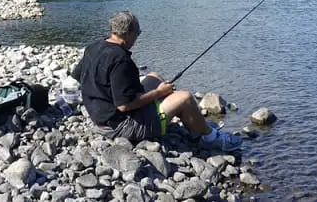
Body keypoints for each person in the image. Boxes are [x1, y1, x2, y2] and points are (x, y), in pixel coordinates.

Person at [70, 11, 242, 151]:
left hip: (100, 115)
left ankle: (193, 122)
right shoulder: (121, 60)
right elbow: (124, 105)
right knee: (185, 97)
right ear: (129, 34)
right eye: (137, 33)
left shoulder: (95, 46)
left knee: (154, 77)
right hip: (120, 126)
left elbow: (77, 76)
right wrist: (159, 93)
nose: (137, 38)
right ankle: (210, 138)